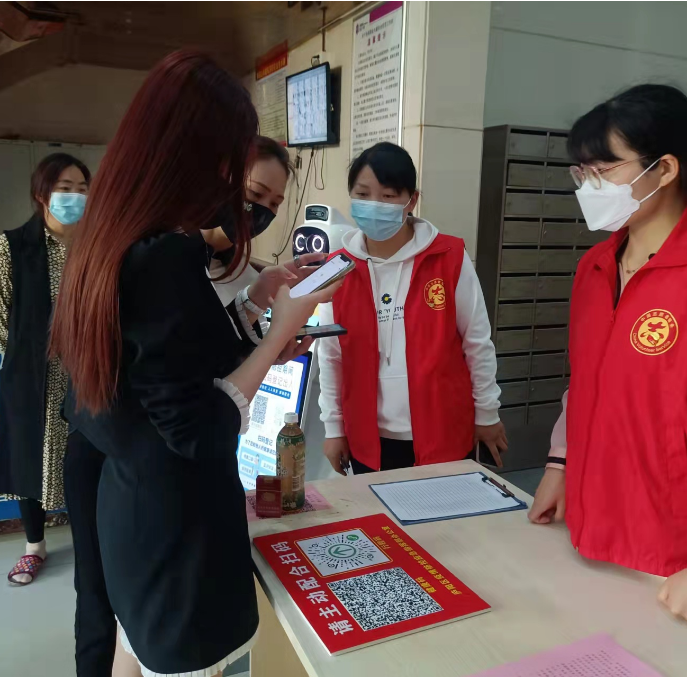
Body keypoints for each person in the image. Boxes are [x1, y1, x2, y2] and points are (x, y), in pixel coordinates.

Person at [50, 50, 339, 677]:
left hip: (131, 513)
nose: (235, 191)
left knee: (131, 649)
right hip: (177, 536)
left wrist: (253, 306)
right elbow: (199, 429)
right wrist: (277, 336)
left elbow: (167, 367)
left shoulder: (109, 240)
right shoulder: (165, 256)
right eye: (234, 166)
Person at [526, 85, 687, 628]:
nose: (589, 187)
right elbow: (586, 382)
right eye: (581, 173)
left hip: (678, 558)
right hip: (589, 525)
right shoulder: (596, 267)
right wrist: (559, 464)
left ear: (663, 169)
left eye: (603, 171)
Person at [319, 142, 505, 475]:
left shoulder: (448, 257)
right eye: (363, 194)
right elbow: (331, 355)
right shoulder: (338, 268)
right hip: (369, 440)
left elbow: (477, 342)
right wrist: (333, 429)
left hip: (444, 433)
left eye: (388, 196)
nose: (374, 204)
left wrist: (487, 413)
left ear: (411, 200)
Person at [0, 152, 90, 585]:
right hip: (32, 373)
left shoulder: (95, 247)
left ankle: (91, 545)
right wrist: (28, 357)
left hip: (87, 374)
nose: (75, 197)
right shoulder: (14, 245)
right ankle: (34, 546)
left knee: (85, 458)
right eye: (65, 188)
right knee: (30, 457)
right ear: (42, 193)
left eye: (82, 189)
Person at [204, 135, 296, 306]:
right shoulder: (173, 256)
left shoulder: (246, 275)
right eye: (255, 193)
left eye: (275, 203)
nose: (263, 210)